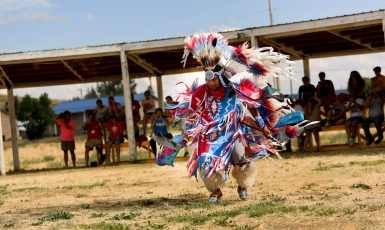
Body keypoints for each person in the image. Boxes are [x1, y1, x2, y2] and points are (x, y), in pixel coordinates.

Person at [154, 33, 303, 202]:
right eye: (207, 78)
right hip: (211, 134)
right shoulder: (201, 92)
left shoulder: (233, 89)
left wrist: (262, 125)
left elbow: (252, 106)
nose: (210, 82)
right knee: (205, 160)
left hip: (233, 131)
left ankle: (243, 185)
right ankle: (215, 190)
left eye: (214, 78)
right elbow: (192, 114)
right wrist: (187, 133)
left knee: (241, 160)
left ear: (220, 76)